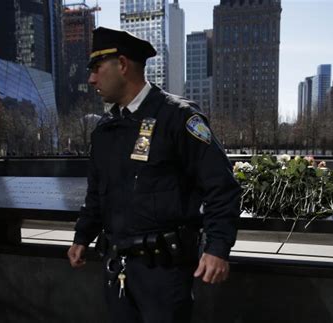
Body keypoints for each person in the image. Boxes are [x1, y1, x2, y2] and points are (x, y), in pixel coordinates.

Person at [67, 27, 242, 323]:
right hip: (117, 268)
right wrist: (82, 236)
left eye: (97, 69)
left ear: (122, 65)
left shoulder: (179, 117)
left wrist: (218, 247)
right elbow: (97, 193)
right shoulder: (105, 130)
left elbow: (222, 186)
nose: (91, 79)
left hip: (164, 273)